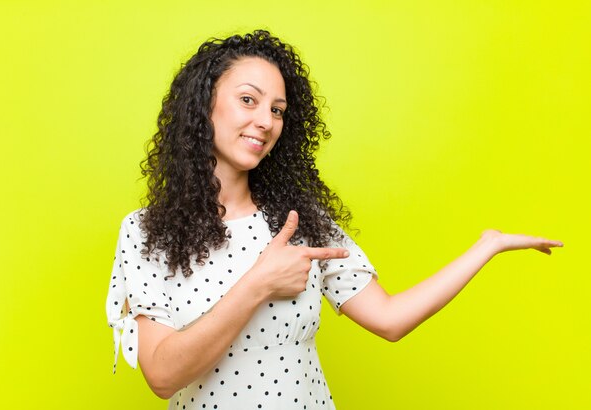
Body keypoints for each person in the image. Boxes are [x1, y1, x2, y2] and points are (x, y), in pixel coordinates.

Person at [105, 29, 563, 409]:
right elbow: (162, 376)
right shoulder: (146, 232)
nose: (265, 120)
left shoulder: (300, 221)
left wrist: (487, 246)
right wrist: (259, 282)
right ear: (203, 105)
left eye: (278, 110)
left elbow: (390, 319)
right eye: (249, 100)